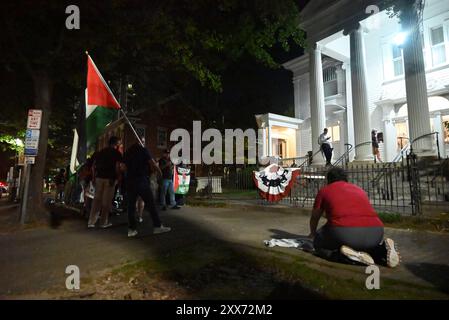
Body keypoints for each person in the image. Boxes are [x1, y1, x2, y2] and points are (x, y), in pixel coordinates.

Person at [308, 167, 400, 267]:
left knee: (319, 242)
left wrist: (312, 234)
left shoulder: (325, 191)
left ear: (328, 180)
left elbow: (314, 217)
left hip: (345, 233)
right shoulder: (359, 189)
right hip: (376, 232)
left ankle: (343, 256)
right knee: (363, 246)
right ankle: (382, 251)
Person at [123, 138, 171, 237]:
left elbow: (123, 167)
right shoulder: (144, 150)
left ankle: (132, 229)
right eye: (143, 141)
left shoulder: (127, 152)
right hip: (141, 180)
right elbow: (152, 163)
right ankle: (157, 226)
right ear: (140, 142)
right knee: (151, 204)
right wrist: (159, 172)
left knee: (131, 206)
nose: (144, 143)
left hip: (130, 181)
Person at [87, 136, 123, 229]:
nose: (120, 144)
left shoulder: (100, 152)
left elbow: (94, 166)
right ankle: (103, 222)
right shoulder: (117, 153)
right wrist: (118, 177)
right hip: (110, 179)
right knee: (106, 202)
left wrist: (94, 177)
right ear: (116, 143)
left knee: (97, 200)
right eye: (119, 143)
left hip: (99, 178)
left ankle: (91, 222)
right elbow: (117, 167)